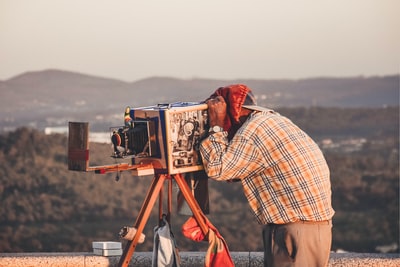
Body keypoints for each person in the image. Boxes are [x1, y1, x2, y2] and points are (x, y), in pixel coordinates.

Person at [199, 84, 335, 267]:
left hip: (294, 232)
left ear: (230, 114)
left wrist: (216, 127)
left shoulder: (251, 132)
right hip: (312, 229)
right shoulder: (271, 120)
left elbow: (219, 168)